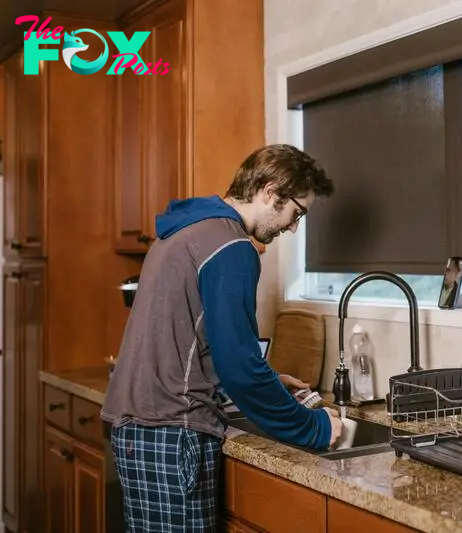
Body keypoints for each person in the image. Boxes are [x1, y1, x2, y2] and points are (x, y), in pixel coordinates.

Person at [101, 144, 342, 532]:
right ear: (270, 191)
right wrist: (316, 428)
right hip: (171, 434)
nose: (293, 227)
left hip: (139, 429)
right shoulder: (232, 247)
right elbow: (241, 369)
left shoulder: (189, 229)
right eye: (296, 212)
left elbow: (194, 340)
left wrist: (272, 379)